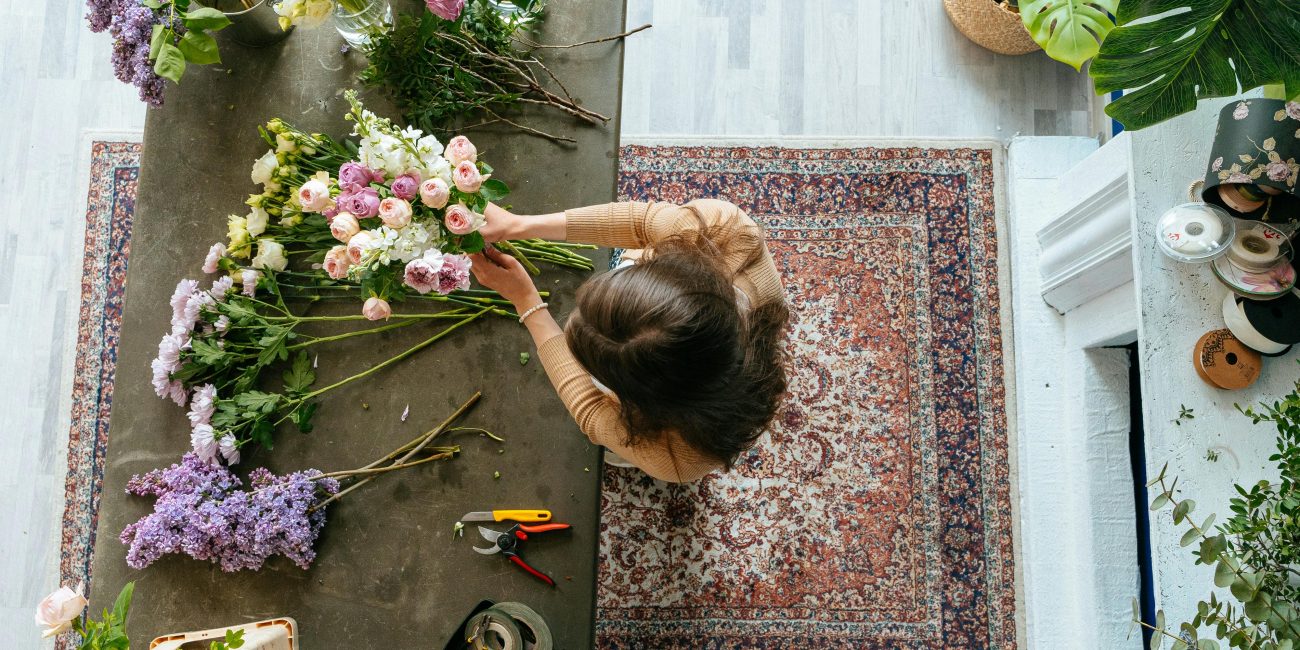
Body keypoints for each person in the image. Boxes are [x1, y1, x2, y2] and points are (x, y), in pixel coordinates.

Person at [468, 199, 789, 482]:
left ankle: (624, 449)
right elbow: (642, 222)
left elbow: (591, 411)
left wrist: (526, 301)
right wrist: (521, 225)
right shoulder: (721, 228)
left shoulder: (678, 457)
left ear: (638, 399)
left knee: (621, 447)